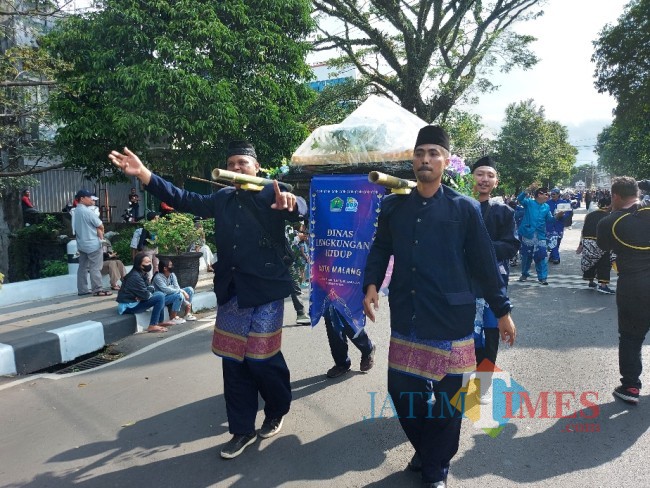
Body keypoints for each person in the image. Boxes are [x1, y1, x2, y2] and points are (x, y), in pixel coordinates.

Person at [110, 140, 307, 460]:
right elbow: (183, 198)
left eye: (243, 162)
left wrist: (293, 203)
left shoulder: (272, 191)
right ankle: (241, 429)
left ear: (256, 167)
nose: (236, 168)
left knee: (261, 358)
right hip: (232, 293)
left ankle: (276, 408)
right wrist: (144, 173)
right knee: (234, 362)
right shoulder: (222, 198)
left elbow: (299, 205)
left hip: (266, 292)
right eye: (232, 163)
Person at [362, 125, 516, 488]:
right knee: (403, 396)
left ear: (447, 161)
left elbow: (484, 261)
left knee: (448, 406)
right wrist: (371, 284)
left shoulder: (463, 208)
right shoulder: (394, 205)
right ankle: (428, 450)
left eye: (433, 153)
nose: (425, 159)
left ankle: (436, 471)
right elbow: (381, 247)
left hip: (451, 320)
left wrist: (503, 311)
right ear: (412, 161)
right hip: (408, 316)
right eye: (420, 153)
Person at [597, 177, 650, 405]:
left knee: (631, 337)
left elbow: (603, 247)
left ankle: (630, 386)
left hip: (634, 287)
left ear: (615, 195)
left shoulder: (609, 221)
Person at [470, 156, 520, 382]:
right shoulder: (455, 206)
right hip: (460, 284)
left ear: (496, 182)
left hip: (491, 285)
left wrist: (481, 249)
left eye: (490, 175)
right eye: (480, 174)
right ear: (470, 177)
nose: (484, 179)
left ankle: (483, 381)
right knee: (459, 335)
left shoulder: (504, 212)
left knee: (490, 335)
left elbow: (511, 245)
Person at [516, 186, 565, 285]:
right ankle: (524, 274)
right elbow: (519, 199)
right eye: (546, 194)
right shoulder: (529, 203)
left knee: (542, 255)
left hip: (540, 235)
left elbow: (550, 220)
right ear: (539, 194)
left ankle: (543, 278)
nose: (548, 196)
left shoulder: (546, 207)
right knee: (526, 256)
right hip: (528, 234)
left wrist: (557, 216)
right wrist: (527, 190)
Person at [116, 252, 174, 333]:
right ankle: (152, 325)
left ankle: (160, 322)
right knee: (159, 296)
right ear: (139, 264)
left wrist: (144, 294)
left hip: (136, 301)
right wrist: (144, 294)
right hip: (128, 306)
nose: (149, 264)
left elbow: (150, 288)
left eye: (149, 262)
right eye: (146, 262)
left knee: (159, 293)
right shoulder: (134, 277)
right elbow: (146, 295)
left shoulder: (143, 274)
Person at [73, 189, 112, 297]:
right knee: (95, 267)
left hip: (81, 244)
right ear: (82, 198)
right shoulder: (87, 212)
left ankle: (82, 289)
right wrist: (101, 235)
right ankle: (98, 290)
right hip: (93, 244)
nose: (91, 199)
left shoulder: (76, 211)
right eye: (89, 197)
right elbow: (100, 225)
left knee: (82, 267)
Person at [576, 196, 614, 294]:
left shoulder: (589, 215)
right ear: (607, 205)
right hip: (600, 243)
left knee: (590, 261)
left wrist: (581, 244)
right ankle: (603, 285)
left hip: (587, 242)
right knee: (604, 263)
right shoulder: (609, 216)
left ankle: (591, 281)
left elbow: (583, 230)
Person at [152, 258, 197, 324]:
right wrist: (182, 294)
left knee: (190, 290)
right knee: (179, 295)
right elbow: (166, 290)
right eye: (170, 265)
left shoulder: (172, 275)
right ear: (165, 268)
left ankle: (187, 314)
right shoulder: (157, 277)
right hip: (163, 298)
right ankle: (173, 317)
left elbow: (177, 287)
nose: (172, 267)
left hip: (172, 294)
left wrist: (182, 291)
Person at [545, 188, 573, 264]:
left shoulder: (563, 203)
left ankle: (552, 256)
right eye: (552, 194)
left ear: (558, 195)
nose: (552, 195)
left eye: (554, 194)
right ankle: (556, 258)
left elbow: (568, 213)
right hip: (550, 224)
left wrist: (562, 215)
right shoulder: (547, 203)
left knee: (558, 241)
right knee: (552, 239)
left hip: (559, 224)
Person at [130, 211, 160, 277]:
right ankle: (149, 281)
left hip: (155, 247)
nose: (158, 217)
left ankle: (155, 279)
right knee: (150, 264)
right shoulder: (147, 226)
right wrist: (140, 247)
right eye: (157, 215)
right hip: (148, 248)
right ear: (154, 217)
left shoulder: (158, 226)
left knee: (155, 264)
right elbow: (142, 237)